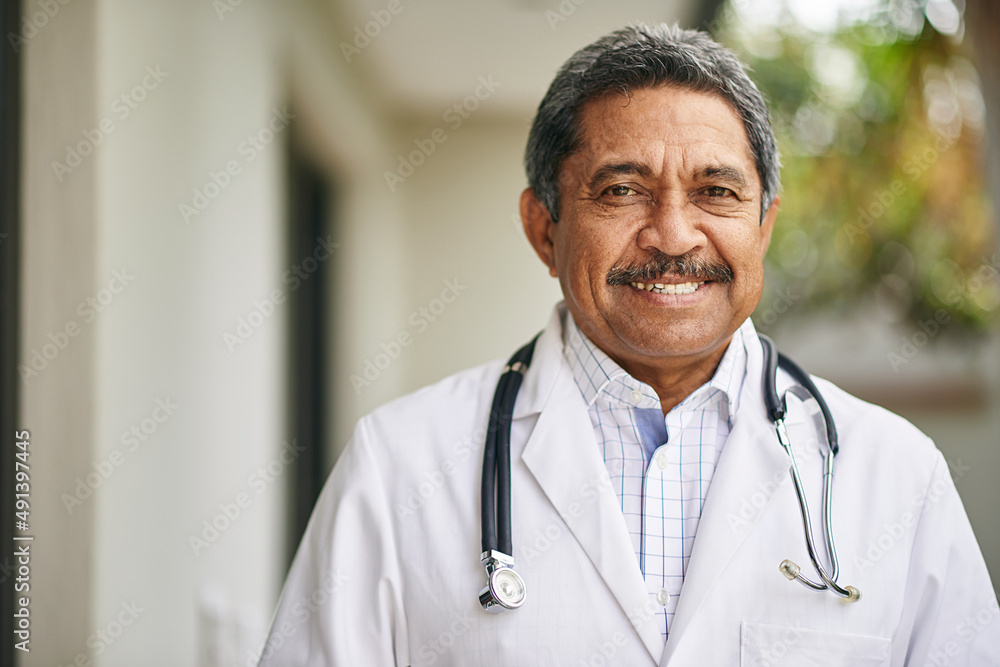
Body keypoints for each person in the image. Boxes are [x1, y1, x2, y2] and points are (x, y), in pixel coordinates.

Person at [257, 24, 1000, 666]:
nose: (675, 235)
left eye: (717, 191)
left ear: (764, 227)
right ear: (544, 229)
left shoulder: (898, 477)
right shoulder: (398, 468)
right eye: (620, 190)